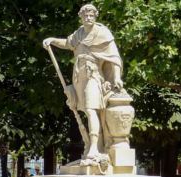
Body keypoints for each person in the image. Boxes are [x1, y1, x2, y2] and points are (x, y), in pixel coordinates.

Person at [43, 4, 123, 161]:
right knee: (86, 111)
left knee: (91, 109)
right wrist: (52, 40)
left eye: (92, 15)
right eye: (86, 15)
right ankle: (93, 144)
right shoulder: (79, 33)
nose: (89, 17)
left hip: (94, 75)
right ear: (81, 17)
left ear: (95, 16)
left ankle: (94, 146)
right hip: (79, 76)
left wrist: (117, 77)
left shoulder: (103, 33)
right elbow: (67, 43)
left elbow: (114, 58)